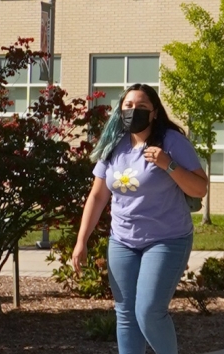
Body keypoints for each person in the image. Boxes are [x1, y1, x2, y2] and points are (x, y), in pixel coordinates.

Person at [73, 84, 209, 354]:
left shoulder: (171, 141)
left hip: (167, 240)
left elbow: (199, 188)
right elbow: (98, 196)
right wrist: (82, 240)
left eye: (142, 107)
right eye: (128, 106)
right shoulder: (114, 144)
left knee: (148, 312)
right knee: (125, 314)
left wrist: (167, 164)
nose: (134, 111)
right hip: (123, 241)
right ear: (120, 109)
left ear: (155, 112)